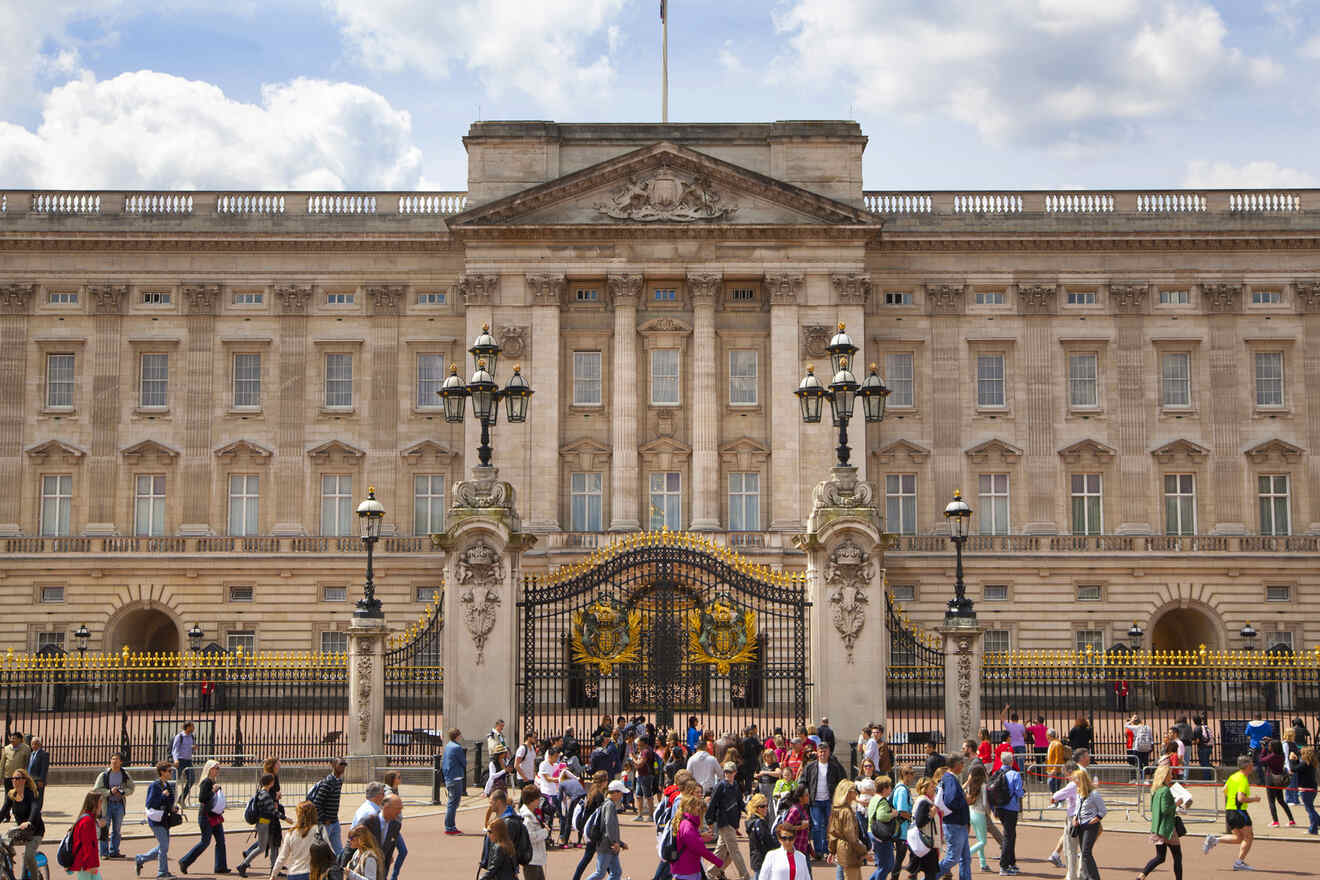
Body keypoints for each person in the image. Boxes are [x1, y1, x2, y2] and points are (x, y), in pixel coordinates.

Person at [1203, 754, 1259, 871]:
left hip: (1229, 811)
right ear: (1247, 766)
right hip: (1239, 811)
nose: (1253, 766)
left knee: (1239, 837)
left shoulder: (1233, 776)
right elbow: (1241, 798)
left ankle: (1215, 840)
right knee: (1249, 837)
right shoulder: (1243, 780)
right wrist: (1254, 799)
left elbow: (1224, 790)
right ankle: (1239, 862)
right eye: (1251, 764)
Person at [179, 758, 228, 875]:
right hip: (206, 816)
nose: (218, 770)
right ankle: (185, 861)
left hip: (215, 815)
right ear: (210, 770)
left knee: (221, 841)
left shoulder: (213, 782)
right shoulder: (206, 782)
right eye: (216, 768)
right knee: (205, 841)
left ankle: (220, 866)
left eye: (218, 768)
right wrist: (213, 791)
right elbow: (202, 798)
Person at [1137, 765, 1185, 880]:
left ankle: (1141, 876)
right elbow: (1165, 809)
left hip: (1157, 827)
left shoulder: (1155, 790)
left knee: (1160, 857)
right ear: (1165, 776)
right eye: (1170, 774)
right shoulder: (1165, 790)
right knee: (1177, 856)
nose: (1172, 776)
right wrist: (1176, 804)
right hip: (1167, 828)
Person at [800, 741, 845, 861]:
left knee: (829, 826)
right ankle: (818, 851)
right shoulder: (810, 767)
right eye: (820, 751)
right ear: (817, 752)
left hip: (829, 800)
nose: (822, 754)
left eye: (825, 751)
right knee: (816, 825)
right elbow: (802, 781)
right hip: (815, 801)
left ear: (829, 752)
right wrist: (804, 792)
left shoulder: (834, 766)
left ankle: (827, 850)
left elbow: (843, 780)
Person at [136, 761, 179, 878]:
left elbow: (169, 802)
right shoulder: (154, 786)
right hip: (155, 820)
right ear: (162, 772)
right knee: (164, 846)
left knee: (163, 846)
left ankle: (141, 859)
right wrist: (162, 796)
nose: (171, 773)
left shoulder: (168, 785)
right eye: (169, 771)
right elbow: (150, 803)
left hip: (164, 819)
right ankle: (162, 872)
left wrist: (173, 807)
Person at [0, 767, 43, 880]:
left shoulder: (31, 793)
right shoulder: (12, 795)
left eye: (17, 778)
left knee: (28, 856)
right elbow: (3, 811)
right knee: (3, 845)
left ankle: (35, 877)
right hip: (21, 831)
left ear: (24, 780)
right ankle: (9, 871)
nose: (14, 780)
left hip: (35, 831)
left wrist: (29, 821)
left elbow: (35, 808)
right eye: (13, 778)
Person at [708, 761, 748, 880]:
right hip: (724, 821)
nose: (727, 774)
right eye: (726, 771)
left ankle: (710, 873)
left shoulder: (735, 784)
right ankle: (745, 876)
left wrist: (747, 810)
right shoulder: (720, 786)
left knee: (721, 850)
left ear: (735, 772)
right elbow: (713, 803)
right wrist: (709, 820)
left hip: (733, 821)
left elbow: (740, 801)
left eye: (730, 772)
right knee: (734, 851)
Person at [92, 752, 135, 859]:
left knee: (117, 829)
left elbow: (131, 788)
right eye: (113, 759)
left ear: (121, 762)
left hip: (119, 805)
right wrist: (109, 792)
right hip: (107, 805)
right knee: (104, 829)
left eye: (117, 759)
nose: (114, 761)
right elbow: (96, 790)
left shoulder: (125, 775)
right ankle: (103, 853)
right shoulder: (104, 775)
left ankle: (114, 851)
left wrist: (123, 792)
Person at [237, 773, 281, 877]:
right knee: (261, 847)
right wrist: (285, 818)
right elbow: (272, 810)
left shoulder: (266, 793)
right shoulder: (264, 794)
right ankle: (243, 865)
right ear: (270, 783)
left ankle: (273, 870)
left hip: (269, 823)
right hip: (264, 823)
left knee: (274, 845)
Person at [935, 755, 971, 880]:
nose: (963, 765)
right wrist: (964, 802)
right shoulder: (950, 779)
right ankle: (931, 876)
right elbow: (950, 801)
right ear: (955, 764)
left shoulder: (950, 778)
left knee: (965, 858)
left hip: (959, 823)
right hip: (954, 824)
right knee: (952, 858)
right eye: (961, 763)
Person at [672, 791, 723, 880]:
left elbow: (691, 843)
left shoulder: (687, 823)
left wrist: (701, 838)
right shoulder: (688, 826)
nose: (700, 811)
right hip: (687, 870)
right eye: (699, 808)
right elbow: (700, 849)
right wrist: (718, 862)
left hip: (686, 869)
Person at [585, 779, 628, 880]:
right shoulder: (610, 805)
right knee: (600, 873)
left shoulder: (606, 803)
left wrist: (619, 843)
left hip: (608, 844)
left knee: (616, 872)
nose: (621, 796)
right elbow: (609, 825)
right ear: (615, 793)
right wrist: (615, 842)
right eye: (621, 793)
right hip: (607, 845)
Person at [570, 772, 609, 880]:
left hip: (589, 829)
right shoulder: (599, 795)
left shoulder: (592, 791)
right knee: (601, 857)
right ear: (603, 781)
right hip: (594, 830)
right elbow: (600, 815)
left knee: (595, 857)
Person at [1048, 759, 1082, 878]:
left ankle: (1072, 875)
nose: (1066, 777)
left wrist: (1054, 798)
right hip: (1081, 816)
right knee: (1081, 849)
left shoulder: (1073, 783)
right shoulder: (1082, 780)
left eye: (1066, 774)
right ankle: (1078, 873)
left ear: (1070, 771)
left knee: (1070, 848)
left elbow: (1059, 794)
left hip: (1074, 817)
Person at [827, 780, 867, 880]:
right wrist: (863, 851)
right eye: (854, 790)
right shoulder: (847, 812)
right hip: (849, 851)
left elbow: (833, 833)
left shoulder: (836, 808)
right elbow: (851, 837)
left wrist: (832, 851)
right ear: (847, 793)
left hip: (841, 850)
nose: (856, 792)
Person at [269, 800, 318, 880]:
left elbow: (282, 856)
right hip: (312, 872)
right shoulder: (319, 830)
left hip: (294, 873)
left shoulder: (291, 833)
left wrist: (274, 874)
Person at [906, 776, 941, 880]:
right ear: (924, 788)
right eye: (931, 787)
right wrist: (931, 815)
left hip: (922, 842)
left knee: (915, 871)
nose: (934, 789)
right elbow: (920, 822)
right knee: (930, 873)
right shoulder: (924, 802)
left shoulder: (926, 801)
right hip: (925, 842)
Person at [310, 758, 347, 854]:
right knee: (321, 850)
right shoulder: (327, 782)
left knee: (339, 850)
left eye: (344, 764)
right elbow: (317, 803)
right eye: (341, 764)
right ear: (334, 765)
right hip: (325, 823)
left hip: (334, 820)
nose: (343, 767)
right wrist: (324, 818)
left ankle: (340, 867)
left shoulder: (339, 781)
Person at [1072, 768, 1105, 880]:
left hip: (1091, 826)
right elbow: (1077, 808)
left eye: (1076, 779)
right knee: (1083, 852)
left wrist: (1094, 820)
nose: (1074, 781)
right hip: (1081, 824)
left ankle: (1094, 877)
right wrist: (1075, 818)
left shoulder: (1094, 794)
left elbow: (1102, 810)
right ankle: (1086, 876)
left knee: (1086, 852)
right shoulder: (1079, 793)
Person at [995, 755, 1024, 876]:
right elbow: (1019, 792)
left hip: (1000, 807)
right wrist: (1023, 792)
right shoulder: (1015, 774)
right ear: (1011, 762)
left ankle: (1011, 862)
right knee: (1008, 836)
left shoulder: (997, 773)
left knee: (1010, 834)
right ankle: (1004, 865)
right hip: (1011, 808)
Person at [1258, 739, 1295, 826]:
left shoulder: (1272, 756)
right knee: (1281, 800)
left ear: (1273, 747)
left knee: (1271, 801)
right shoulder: (1281, 755)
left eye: (1270, 745)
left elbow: (1261, 760)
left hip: (1270, 779)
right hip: (1279, 779)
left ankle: (1275, 821)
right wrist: (1269, 743)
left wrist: (1263, 749)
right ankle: (1291, 820)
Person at [887, 765, 914, 880]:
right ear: (905, 775)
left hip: (903, 830)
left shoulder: (902, 788)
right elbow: (902, 811)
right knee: (900, 858)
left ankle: (911, 875)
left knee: (907, 856)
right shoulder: (902, 790)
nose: (913, 776)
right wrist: (913, 817)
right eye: (911, 774)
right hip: (902, 830)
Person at [964, 764, 992, 874]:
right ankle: (967, 855)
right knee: (983, 841)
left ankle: (983, 863)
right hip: (980, 814)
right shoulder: (983, 786)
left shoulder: (970, 785)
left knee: (980, 840)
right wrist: (988, 813)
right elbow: (985, 803)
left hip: (971, 812)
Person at [518, 784, 549, 880]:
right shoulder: (527, 818)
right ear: (532, 800)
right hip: (531, 859)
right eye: (538, 799)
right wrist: (544, 832)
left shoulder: (532, 813)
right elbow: (530, 837)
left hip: (536, 858)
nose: (539, 801)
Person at [70, 791, 102, 880]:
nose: (101, 805)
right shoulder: (87, 821)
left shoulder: (89, 818)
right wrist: (89, 865)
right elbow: (86, 844)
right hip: (86, 864)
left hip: (87, 863)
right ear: (94, 803)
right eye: (100, 801)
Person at [745, 792, 777, 880]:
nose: (766, 808)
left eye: (766, 805)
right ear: (756, 808)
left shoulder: (751, 821)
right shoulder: (759, 823)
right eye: (762, 806)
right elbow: (768, 841)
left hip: (756, 858)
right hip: (762, 858)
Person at [442, 728, 466, 835]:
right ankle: (450, 827)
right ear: (457, 736)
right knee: (453, 803)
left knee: (452, 802)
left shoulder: (448, 746)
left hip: (449, 776)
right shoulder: (457, 748)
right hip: (456, 777)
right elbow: (463, 762)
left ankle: (449, 826)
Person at [378, 795, 404, 880]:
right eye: (397, 809)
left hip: (383, 865)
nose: (399, 812)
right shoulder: (371, 821)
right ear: (386, 807)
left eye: (401, 809)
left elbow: (390, 847)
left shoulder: (396, 825)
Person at [171, 723, 196, 807]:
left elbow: (190, 749)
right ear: (187, 727)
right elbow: (175, 749)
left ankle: (181, 799)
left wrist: (193, 749)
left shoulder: (192, 737)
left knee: (191, 780)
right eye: (192, 726)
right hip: (180, 761)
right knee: (174, 782)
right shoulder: (179, 736)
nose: (193, 728)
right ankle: (170, 801)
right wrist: (176, 760)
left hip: (188, 761)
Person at [1297, 747, 1318, 835]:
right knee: (1310, 808)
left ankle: (1313, 829)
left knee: (1310, 809)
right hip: (1313, 788)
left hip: (1306, 790)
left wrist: (1292, 760)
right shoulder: (1312, 763)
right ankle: (1316, 823)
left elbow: (1294, 769)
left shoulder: (1304, 764)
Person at [1045, 729, 1070, 795]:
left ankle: (1059, 800)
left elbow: (1058, 758)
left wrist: (1055, 769)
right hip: (1051, 768)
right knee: (1053, 785)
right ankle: (1057, 801)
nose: (1046, 737)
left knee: (1053, 785)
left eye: (1047, 735)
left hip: (1055, 770)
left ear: (1049, 736)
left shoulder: (1057, 744)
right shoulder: (1052, 743)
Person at [25, 738, 47, 810]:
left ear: (39, 744)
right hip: (30, 779)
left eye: (35, 744)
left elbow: (44, 768)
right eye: (32, 744)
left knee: (38, 796)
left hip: (38, 780)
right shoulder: (31, 754)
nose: (33, 746)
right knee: (31, 796)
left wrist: (41, 780)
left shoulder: (43, 754)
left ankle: (37, 810)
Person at [1283, 729, 1302, 806]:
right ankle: (1289, 799)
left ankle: (1296, 799)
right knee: (1290, 784)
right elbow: (1285, 757)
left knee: (1295, 783)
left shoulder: (1293, 743)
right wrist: (1288, 768)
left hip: (1295, 765)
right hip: (1289, 766)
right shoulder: (1285, 744)